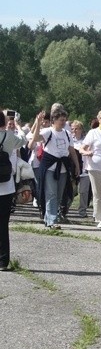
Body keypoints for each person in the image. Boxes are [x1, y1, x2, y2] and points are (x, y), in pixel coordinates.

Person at [29, 108, 80, 229]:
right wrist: (38, 123)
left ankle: (50, 217)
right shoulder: (48, 131)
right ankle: (52, 220)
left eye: (64, 120)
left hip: (63, 167)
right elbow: (35, 139)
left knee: (59, 193)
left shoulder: (67, 134)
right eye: (61, 120)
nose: (63, 122)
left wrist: (77, 166)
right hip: (50, 167)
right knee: (51, 193)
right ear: (54, 120)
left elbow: (71, 151)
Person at [1, 110, 27, 271]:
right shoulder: (8, 136)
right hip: (5, 185)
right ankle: (3, 261)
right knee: (3, 225)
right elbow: (23, 140)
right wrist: (18, 125)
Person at [70, 120, 91, 218]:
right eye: (72, 129)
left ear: (81, 129)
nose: (74, 131)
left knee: (84, 191)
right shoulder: (70, 139)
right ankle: (65, 208)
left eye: (76, 128)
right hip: (73, 169)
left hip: (85, 169)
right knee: (71, 190)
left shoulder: (86, 140)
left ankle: (82, 211)